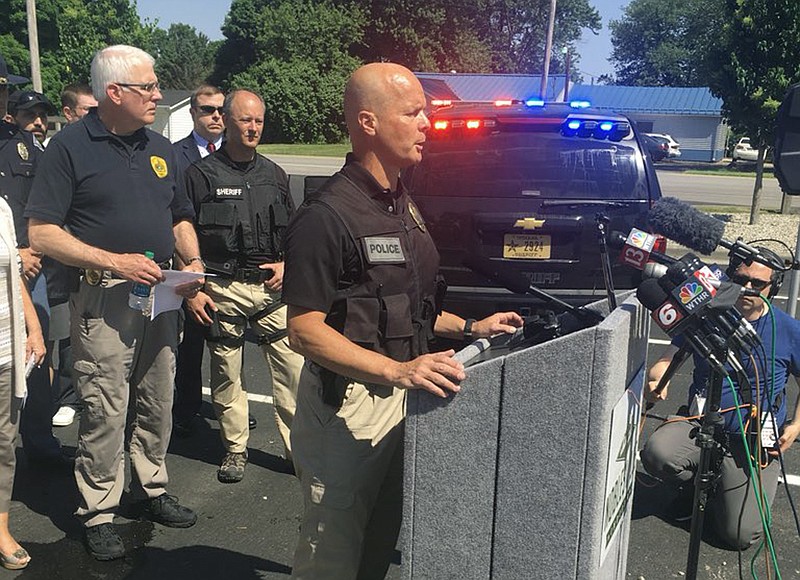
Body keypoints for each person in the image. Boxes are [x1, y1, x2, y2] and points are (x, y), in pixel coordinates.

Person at [282, 63, 523, 579]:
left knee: (379, 541)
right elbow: (303, 328)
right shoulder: (326, 217)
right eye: (414, 113)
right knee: (333, 550)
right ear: (368, 123)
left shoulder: (400, 204)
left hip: (401, 397)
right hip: (350, 410)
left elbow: (409, 307)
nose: (427, 124)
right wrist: (397, 372)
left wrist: (471, 330)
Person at [25, 45, 205, 561]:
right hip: (103, 296)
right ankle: (98, 510)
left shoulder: (158, 147)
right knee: (106, 403)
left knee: (158, 394)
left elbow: (179, 216)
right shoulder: (70, 148)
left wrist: (191, 262)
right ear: (114, 92)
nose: (157, 94)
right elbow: (43, 234)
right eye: (148, 87)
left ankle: (150, 488)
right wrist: (114, 261)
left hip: (162, 294)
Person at [641, 249, 800, 550]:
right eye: (739, 279)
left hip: (751, 439)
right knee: (657, 454)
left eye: (757, 283)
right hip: (702, 425)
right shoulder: (705, 316)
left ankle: (722, 489)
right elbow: (669, 357)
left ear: (774, 287)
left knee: (739, 536)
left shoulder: (790, 330)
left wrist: (796, 425)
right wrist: (657, 377)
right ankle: (694, 486)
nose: (746, 289)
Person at [184, 88, 302, 483]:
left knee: (293, 374)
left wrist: (289, 264)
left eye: (258, 121)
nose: (253, 128)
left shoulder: (275, 174)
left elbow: (296, 231)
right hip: (223, 289)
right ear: (227, 122)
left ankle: (297, 452)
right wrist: (194, 288)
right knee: (227, 374)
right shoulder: (200, 175)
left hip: (272, 292)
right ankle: (235, 449)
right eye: (245, 120)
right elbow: (183, 233)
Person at [0, 61, 66, 467]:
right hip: (8, 255)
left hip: (27, 266)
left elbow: (42, 201)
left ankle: (39, 443)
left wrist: (31, 248)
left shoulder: (19, 143)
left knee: (36, 354)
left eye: (3, 90)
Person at [0, 56, 46, 573]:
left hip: (9, 325)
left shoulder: (5, 206)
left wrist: (32, 325)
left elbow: (10, 262)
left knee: (3, 438)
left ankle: (2, 526)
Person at [172, 84, 227, 437]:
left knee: (226, 348)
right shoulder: (174, 156)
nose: (216, 116)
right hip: (188, 266)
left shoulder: (239, 155)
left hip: (226, 268)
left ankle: (227, 412)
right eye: (208, 110)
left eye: (221, 110)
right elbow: (172, 217)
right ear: (193, 113)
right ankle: (187, 408)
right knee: (189, 345)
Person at [49, 84, 99, 429]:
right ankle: (68, 397)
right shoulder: (59, 149)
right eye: (86, 111)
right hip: (62, 254)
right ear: (68, 113)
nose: (93, 117)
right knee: (65, 331)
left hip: (93, 258)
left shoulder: (95, 147)